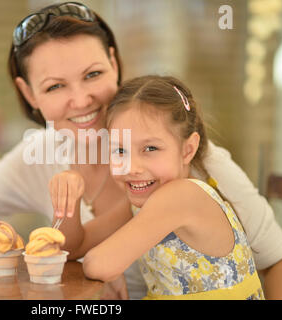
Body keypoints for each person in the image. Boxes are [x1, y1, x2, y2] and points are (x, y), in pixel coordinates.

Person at [0, 2, 282, 299]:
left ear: (115, 64)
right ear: (27, 93)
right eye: (55, 87)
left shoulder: (194, 163)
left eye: (93, 74)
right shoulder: (40, 154)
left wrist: (106, 261)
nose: (81, 99)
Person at [69, 75, 263, 299]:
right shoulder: (148, 201)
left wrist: (113, 268)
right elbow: (76, 247)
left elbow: (98, 265)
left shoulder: (181, 196)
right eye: (119, 151)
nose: (132, 167)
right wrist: (69, 199)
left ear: (187, 150)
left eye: (150, 148)